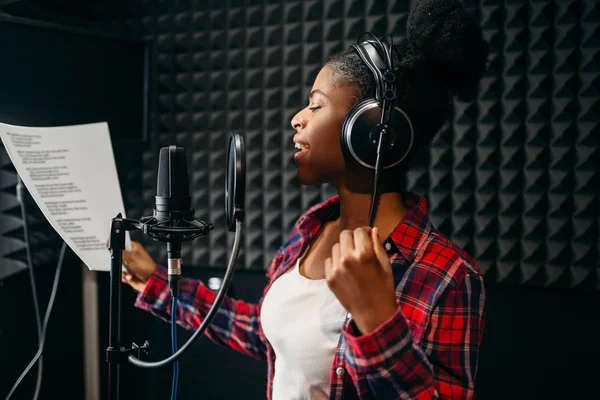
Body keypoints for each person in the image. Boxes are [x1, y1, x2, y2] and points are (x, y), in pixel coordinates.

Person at [122, 0, 488, 398]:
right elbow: (264, 333)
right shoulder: (308, 233)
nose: (297, 117)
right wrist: (157, 284)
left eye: (316, 105)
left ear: (373, 130)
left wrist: (378, 320)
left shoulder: (447, 275)